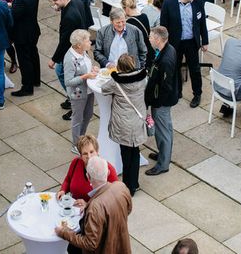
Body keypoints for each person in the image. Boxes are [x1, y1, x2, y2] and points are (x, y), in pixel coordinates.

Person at [54, 157, 132, 252]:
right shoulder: (121, 187)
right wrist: (88, 206)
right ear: (107, 173)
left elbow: (90, 244)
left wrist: (64, 232)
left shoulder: (95, 208)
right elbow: (127, 210)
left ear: (88, 177)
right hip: (122, 246)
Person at [100, 54, 147, 196]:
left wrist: (114, 73)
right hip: (138, 120)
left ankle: (128, 187)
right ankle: (135, 182)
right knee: (135, 152)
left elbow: (104, 89)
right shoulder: (143, 78)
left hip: (123, 123)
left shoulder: (116, 82)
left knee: (126, 155)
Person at [160, 0, 209, 107]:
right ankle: (178, 91)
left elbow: (202, 22)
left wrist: (205, 41)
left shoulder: (198, 2)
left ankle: (197, 94)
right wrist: (164, 44)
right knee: (175, 67)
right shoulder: (169, 3)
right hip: (175, 43)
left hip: (192, 42)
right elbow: (163, 25)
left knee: (195, 69)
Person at [49, 0, 89, 119]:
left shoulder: (69, 17)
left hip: (72, 51)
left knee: (63, 74)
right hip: (80, 45)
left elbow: (65, 41)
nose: (53, 3)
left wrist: (54, 59)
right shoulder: (76, 1)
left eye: (55, 1)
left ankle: (75, 104)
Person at [145, 26, 178, 175]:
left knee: (163, 131)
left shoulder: (166, 60)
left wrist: (157, 102)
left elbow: (166, 86)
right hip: (161, 99)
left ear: (158, 39)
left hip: (162, 102)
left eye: (151, 37)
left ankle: (163, 164)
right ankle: (163, 154)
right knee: (166, 128)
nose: (150, 39)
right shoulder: (167, 49)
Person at [57, 134, 118, 204]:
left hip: (94, 212)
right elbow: (68, 179)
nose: (89, 156)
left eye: (91, 152)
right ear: (80, 155)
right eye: (85, 154)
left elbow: (114, 198)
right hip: (73, 208)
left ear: (97, 152)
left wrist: (87, 205)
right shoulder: (76, 162)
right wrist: (63, 190)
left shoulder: (107, 169)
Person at [64, 29, 99, 150]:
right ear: (79, 45)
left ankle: (82, 139)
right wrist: (85, 76)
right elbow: (68, 81)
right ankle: (76, 144)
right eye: (87, 40)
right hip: (78, 94)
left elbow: (86, 66)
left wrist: (92, 70)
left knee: (88, 115)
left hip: (89, 91)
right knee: (77, 119)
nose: (90, 42)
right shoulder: (70, 59)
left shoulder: (84, 52)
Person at [10, 0, 41, 96]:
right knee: (33, 55)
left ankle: (27, 87)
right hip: (33, 30)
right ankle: (35, 79)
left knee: (24, 60)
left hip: (23, 34)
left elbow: (13, 16)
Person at [121, 0, 152, 69]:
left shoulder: (129, 23)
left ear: (127, 8)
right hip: (148, 48)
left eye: (123, 8)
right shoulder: (144, 16)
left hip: (138, 53)